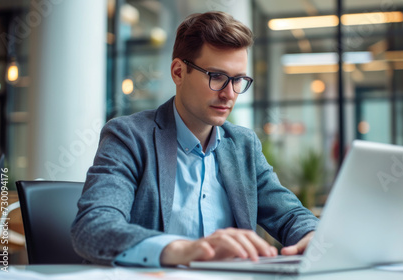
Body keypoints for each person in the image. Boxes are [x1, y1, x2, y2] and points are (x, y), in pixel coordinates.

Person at [71, 11, 318, 267]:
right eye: (217, 77)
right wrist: (183, 249)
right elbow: (93, 228)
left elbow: (289, 214)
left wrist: (311, 235)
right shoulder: (129, 137)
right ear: (178, 72)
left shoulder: (243, 145)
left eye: (238, 80)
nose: (229, 94)